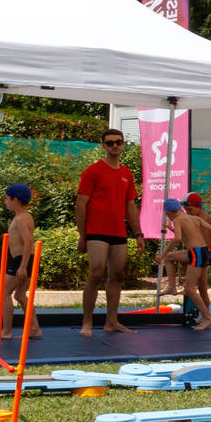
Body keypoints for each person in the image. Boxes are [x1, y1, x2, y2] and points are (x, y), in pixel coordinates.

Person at [76, 130, 140, 337]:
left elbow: (130, 205)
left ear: (122, 145)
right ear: (103, 145)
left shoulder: (126, 173)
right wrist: (82, 235)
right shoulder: (92, 171)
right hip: (96, 231)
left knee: (118, 275)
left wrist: (138, 233)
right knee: (96, 273)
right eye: (110, 143)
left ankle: (111, 321)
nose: (115, 146)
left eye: (118, 142)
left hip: (118, 232)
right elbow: (81, 204)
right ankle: (87, 322)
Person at [169, 197, 211, 332]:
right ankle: (187, 289)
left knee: (202, 287)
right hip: (196, 252)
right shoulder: (191, 218)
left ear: (199, 206)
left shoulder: (208, 218)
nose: (188, 212)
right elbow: (183, 237)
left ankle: (206, 315)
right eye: (186, 210)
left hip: (205, 252)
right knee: (195, 283)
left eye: (190, 209)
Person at [1, 183, 39, 339]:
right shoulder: (24, 216)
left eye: (6, 198)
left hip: (21, 260)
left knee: (5, 293)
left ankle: (6, 331)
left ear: (15, 199)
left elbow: (28, 241)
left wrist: (22, 266)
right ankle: (35, 329)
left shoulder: (21, 218)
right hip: (27, 259)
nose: (5, 202)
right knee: (20, 295)